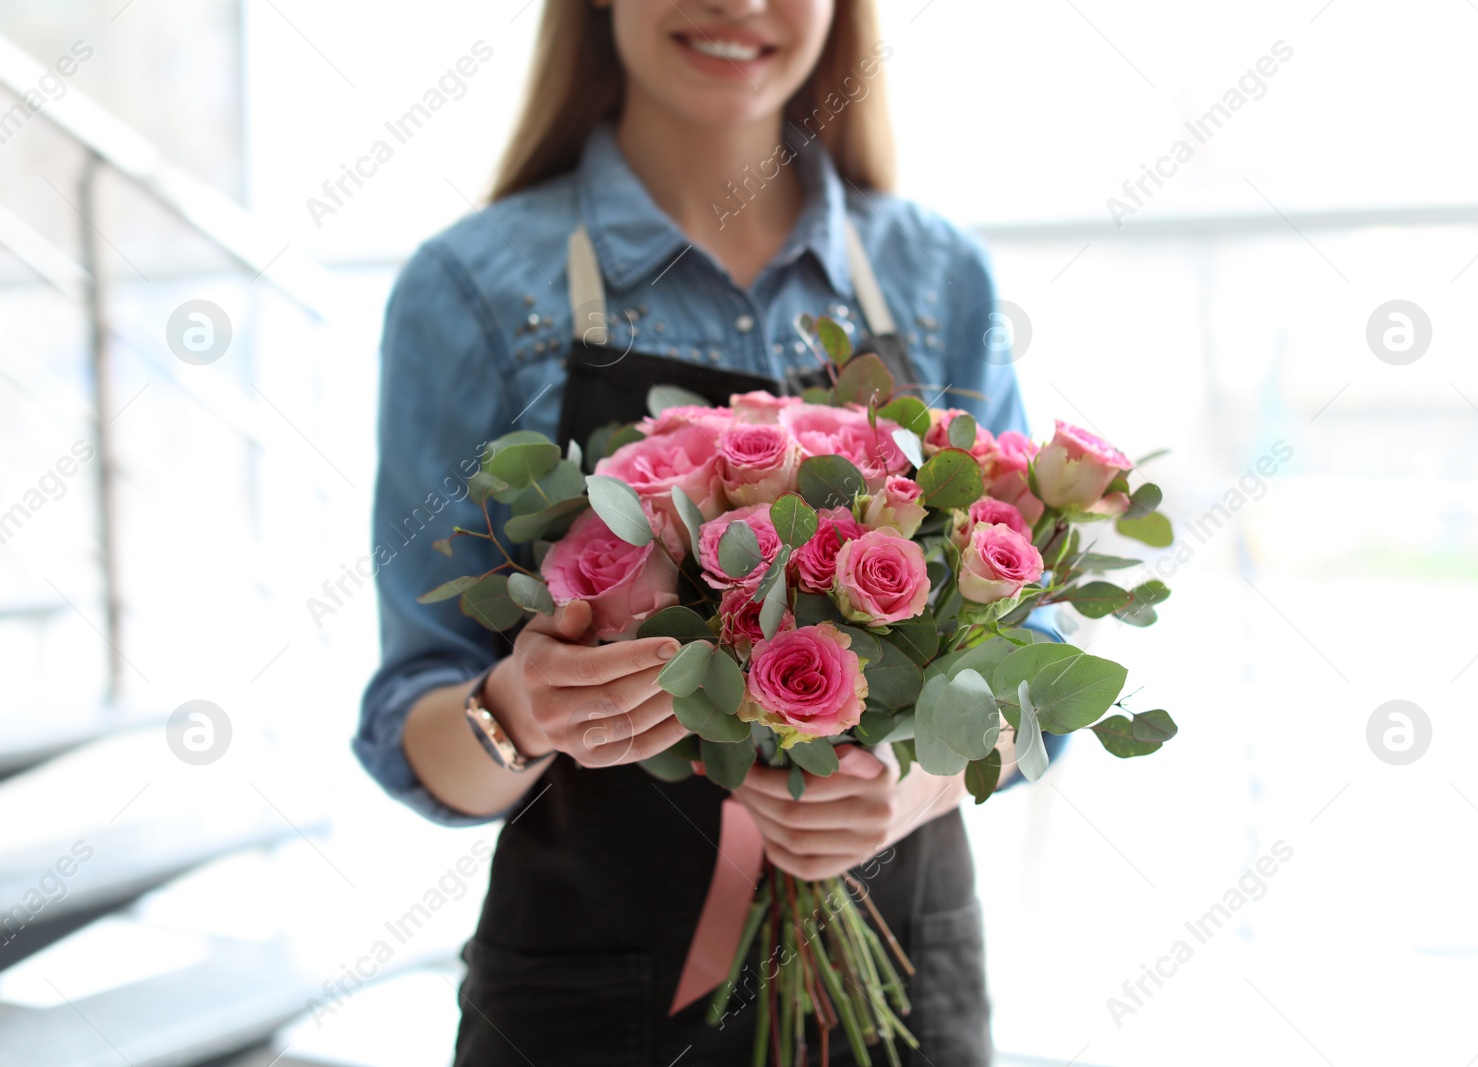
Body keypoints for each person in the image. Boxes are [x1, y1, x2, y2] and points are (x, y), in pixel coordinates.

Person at [356, 1, 1041, 1062]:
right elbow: (419, 722)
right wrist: (520, 709)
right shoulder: (473, 290)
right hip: (591, 1001)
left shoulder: (935, 274)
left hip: (904, 979)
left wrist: (920, 781)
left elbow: (1029, 677)